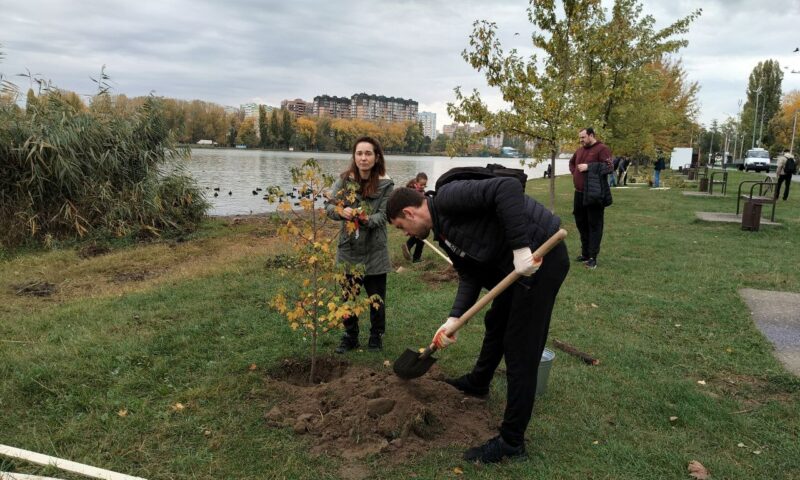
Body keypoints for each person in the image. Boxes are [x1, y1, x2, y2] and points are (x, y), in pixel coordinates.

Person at [386, 178, 569, 464]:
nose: (405, 232)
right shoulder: (443, 231)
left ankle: (511, 441)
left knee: (520, 348)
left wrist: (521, 249)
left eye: (401, 226)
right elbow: (468, 274)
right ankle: (478, 382)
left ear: (409, 213)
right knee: (496, 321)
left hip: (540, 257)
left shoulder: (448, 198)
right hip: (517, 270)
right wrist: (452, 319)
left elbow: (507, 188)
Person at [325, 136, 394, 353]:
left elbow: (384, 215)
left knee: (377, 299)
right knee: (348, 297)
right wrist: (341, 211)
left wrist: (365, 219)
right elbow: (329, 206)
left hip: (375, 250)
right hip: (349, 249)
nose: (363, 158)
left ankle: (376, 336)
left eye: (368, 153)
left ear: (376, 157)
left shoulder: (386, 184)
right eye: (359, 153)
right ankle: (350, 335)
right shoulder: (344, 181)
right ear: (354, 157)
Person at [569, 128, 613, 269]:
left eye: (583, 137)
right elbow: (572, 163)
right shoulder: (580, 150)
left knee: (594, 225)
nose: (581, 140)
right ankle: (585, 253)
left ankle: (593, 258)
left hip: (594, 194)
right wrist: (574, 172)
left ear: (591, 135)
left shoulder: (602, 149)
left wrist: (589, 167)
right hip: (579, 193)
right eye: (580, 138)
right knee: (581, 223)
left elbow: (609, 167)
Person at [402, 172, 428, 263]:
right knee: (421, 237)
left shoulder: (421, 191)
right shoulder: (412, 192)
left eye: (425, 185)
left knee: (420, 237)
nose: (423, 187)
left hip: (420, 218)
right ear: (416, 183)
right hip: (413, 218)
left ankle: (412, 252)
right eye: (421, 185)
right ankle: (414, 254)